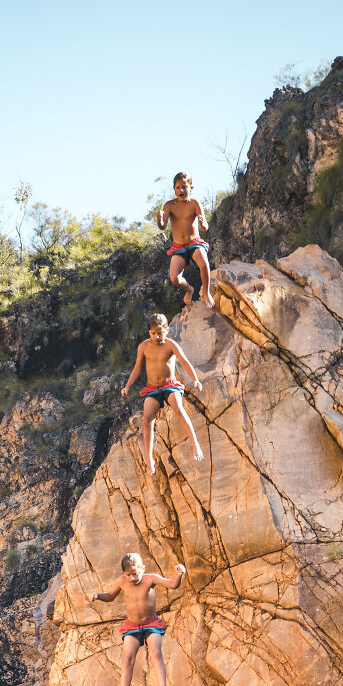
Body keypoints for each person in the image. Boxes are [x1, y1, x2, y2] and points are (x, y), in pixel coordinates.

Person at [91, 551, 185, 686]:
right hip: (132, 626)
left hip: (151, 624)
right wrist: (98, 595)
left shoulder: (151, 579)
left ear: (142, 568)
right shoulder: (121, 582)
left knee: (156, 653)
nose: (132, 578)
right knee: (127, 659)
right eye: (128, 575)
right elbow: (111, 596)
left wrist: (180, 574)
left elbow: (172, 584)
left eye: (135, 573)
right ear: (124, 574)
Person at [121, 313, 204, 475]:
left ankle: (196, 445)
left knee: (178, 409)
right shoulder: (144, 347)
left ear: (167, 330)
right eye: (153, 333)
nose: (157, 336)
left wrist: (195, 379)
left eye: (160, 333)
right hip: (152, 388)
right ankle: (149, 459)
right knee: (147, 420)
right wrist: (128, 386)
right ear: (149, 333)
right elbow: (137, 368)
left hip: (170, 386)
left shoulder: (171, 345)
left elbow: (185, 362)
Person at [156, 171, 214, 308]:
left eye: (184, 187)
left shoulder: (194, 203)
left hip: (195, 243)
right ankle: (189, 289)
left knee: (204, 263)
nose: (181, 190)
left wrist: (203, 223)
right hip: (178, 247)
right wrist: (159, 219)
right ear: (174, 189)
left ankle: (206, 292)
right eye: (178, 187)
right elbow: (163, 226)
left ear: (191, 188)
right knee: (174, 278)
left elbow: (205, 226)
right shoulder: (169, 205)